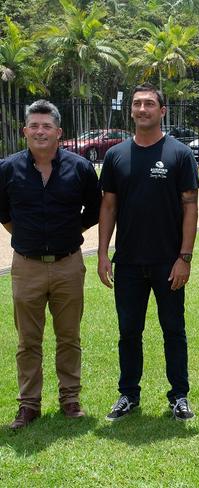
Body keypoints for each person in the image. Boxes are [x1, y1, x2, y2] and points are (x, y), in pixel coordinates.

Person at [97, 83, 199, 421]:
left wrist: (184, 257)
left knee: (174, 329)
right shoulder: (115, 156)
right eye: (137, 104)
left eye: (149, 104)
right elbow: (109, 207)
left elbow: (190, 207)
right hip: (127, 262)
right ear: (131, 111)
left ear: (162, 111)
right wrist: (101, 254)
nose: (143, 109)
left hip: (168, 262)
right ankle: (128, 394)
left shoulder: (180, 154)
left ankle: (179, 396)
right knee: (128, 332)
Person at [0, 100, 101, 429]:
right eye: (34, 125)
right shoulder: (8, 169)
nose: (40, 131)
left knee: (68, 336)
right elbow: (3, 212)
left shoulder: (80, 168)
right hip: (25, 266)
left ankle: (70, 399)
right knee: (28, 340)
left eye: (47, 126)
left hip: (68, 265)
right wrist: (27, 236)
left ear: (59, 132)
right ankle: (29, 405)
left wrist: (71, 232)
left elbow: (96, 209)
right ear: (24, 131)